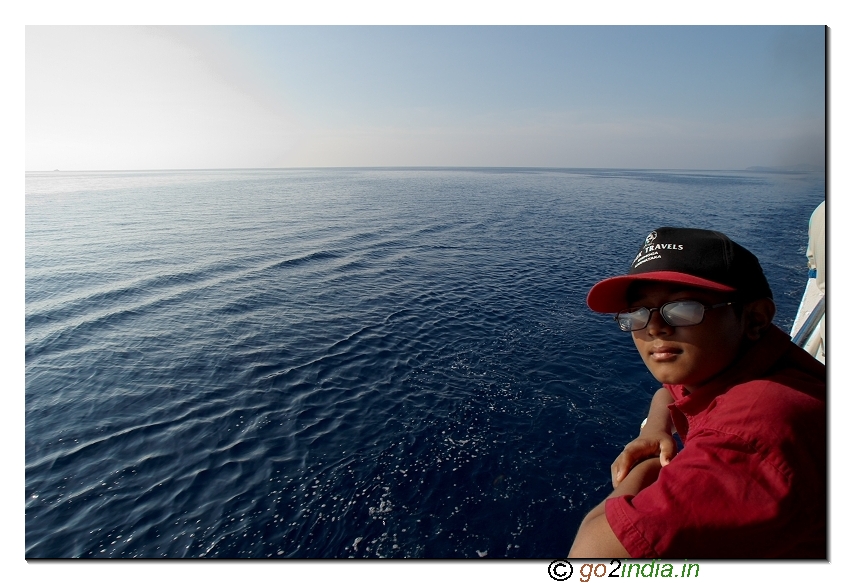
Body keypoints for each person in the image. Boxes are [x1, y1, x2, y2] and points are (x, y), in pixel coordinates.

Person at [568, 227, 826, 558]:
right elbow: (670, 391)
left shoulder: (751, 432)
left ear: (755, 319)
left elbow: (590, 561)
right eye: (637, 313)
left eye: (684, 308)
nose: (654, 326)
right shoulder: (739, 364)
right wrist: (656, 429)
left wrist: (650, 464)